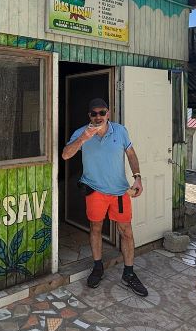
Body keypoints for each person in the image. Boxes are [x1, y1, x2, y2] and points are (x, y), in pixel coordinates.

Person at [60, 98, 148, 296]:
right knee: (96, 228)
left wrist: (138, 178)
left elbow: (131, 154)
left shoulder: (120, 131)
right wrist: (83, 138)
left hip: (120, 191)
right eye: (94, 113)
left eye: (102, 112)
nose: (98, 116)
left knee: (126, 232)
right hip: (95, 190)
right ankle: (98, 267)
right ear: (89, 115)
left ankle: (129, 273)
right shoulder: (81, 133)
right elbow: (66, 155)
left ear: (108, 113)